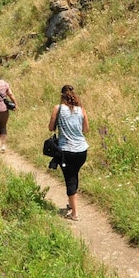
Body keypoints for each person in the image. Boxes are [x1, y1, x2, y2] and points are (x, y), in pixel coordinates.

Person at [48, 85, 89, 221]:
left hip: (67, 150)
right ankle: (71, 204)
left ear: (62, 96)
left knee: (70, 179)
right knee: (74, 175)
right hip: (82, 150)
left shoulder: (57, 109)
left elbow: (51, 128)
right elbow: (86, 129)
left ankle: (74, 213)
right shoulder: (81, 109)